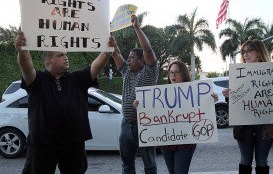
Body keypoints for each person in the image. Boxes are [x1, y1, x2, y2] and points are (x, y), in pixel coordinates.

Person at [15, 31, 111, 174]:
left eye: (66, 54)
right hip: (42, 144)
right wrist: (23, 50)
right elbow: (26, 67)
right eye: (61, 55)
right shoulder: (38, 79)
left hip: (73, 143)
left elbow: (95, 67)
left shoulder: (77, 79)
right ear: (49, 60)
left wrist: (107, 51)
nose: (66, 58)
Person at [133, 60, 218, 174]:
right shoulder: (160, 93)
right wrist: (139, 105)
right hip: (166, 142)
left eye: (177, 72)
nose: (173, 75)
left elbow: (203, 110)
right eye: (171, 72)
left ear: (183, 74)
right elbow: (151, 113)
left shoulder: (193, 92)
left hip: (185, 141)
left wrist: (211, 99)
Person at [222, 39, 273, 174]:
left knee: (262, 160)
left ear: (259, 53)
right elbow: (235, 104)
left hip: (266, 124)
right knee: (245, 160)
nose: (245, 54)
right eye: (244, 52)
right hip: (244, 124)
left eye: (250, 50)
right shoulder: (239, 74)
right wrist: (229, 97)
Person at [108, 15, 159, 174]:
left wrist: (136, 28)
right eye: (128, 57)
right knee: (127, 164)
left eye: (132, 58)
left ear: (142, 60)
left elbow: (148, 50)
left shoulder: (149, 73)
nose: (128, 60)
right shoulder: (126, 73)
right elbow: (115, 52)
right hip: (127, 124)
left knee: (149, 164)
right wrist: (111, 39)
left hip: (145, 124)